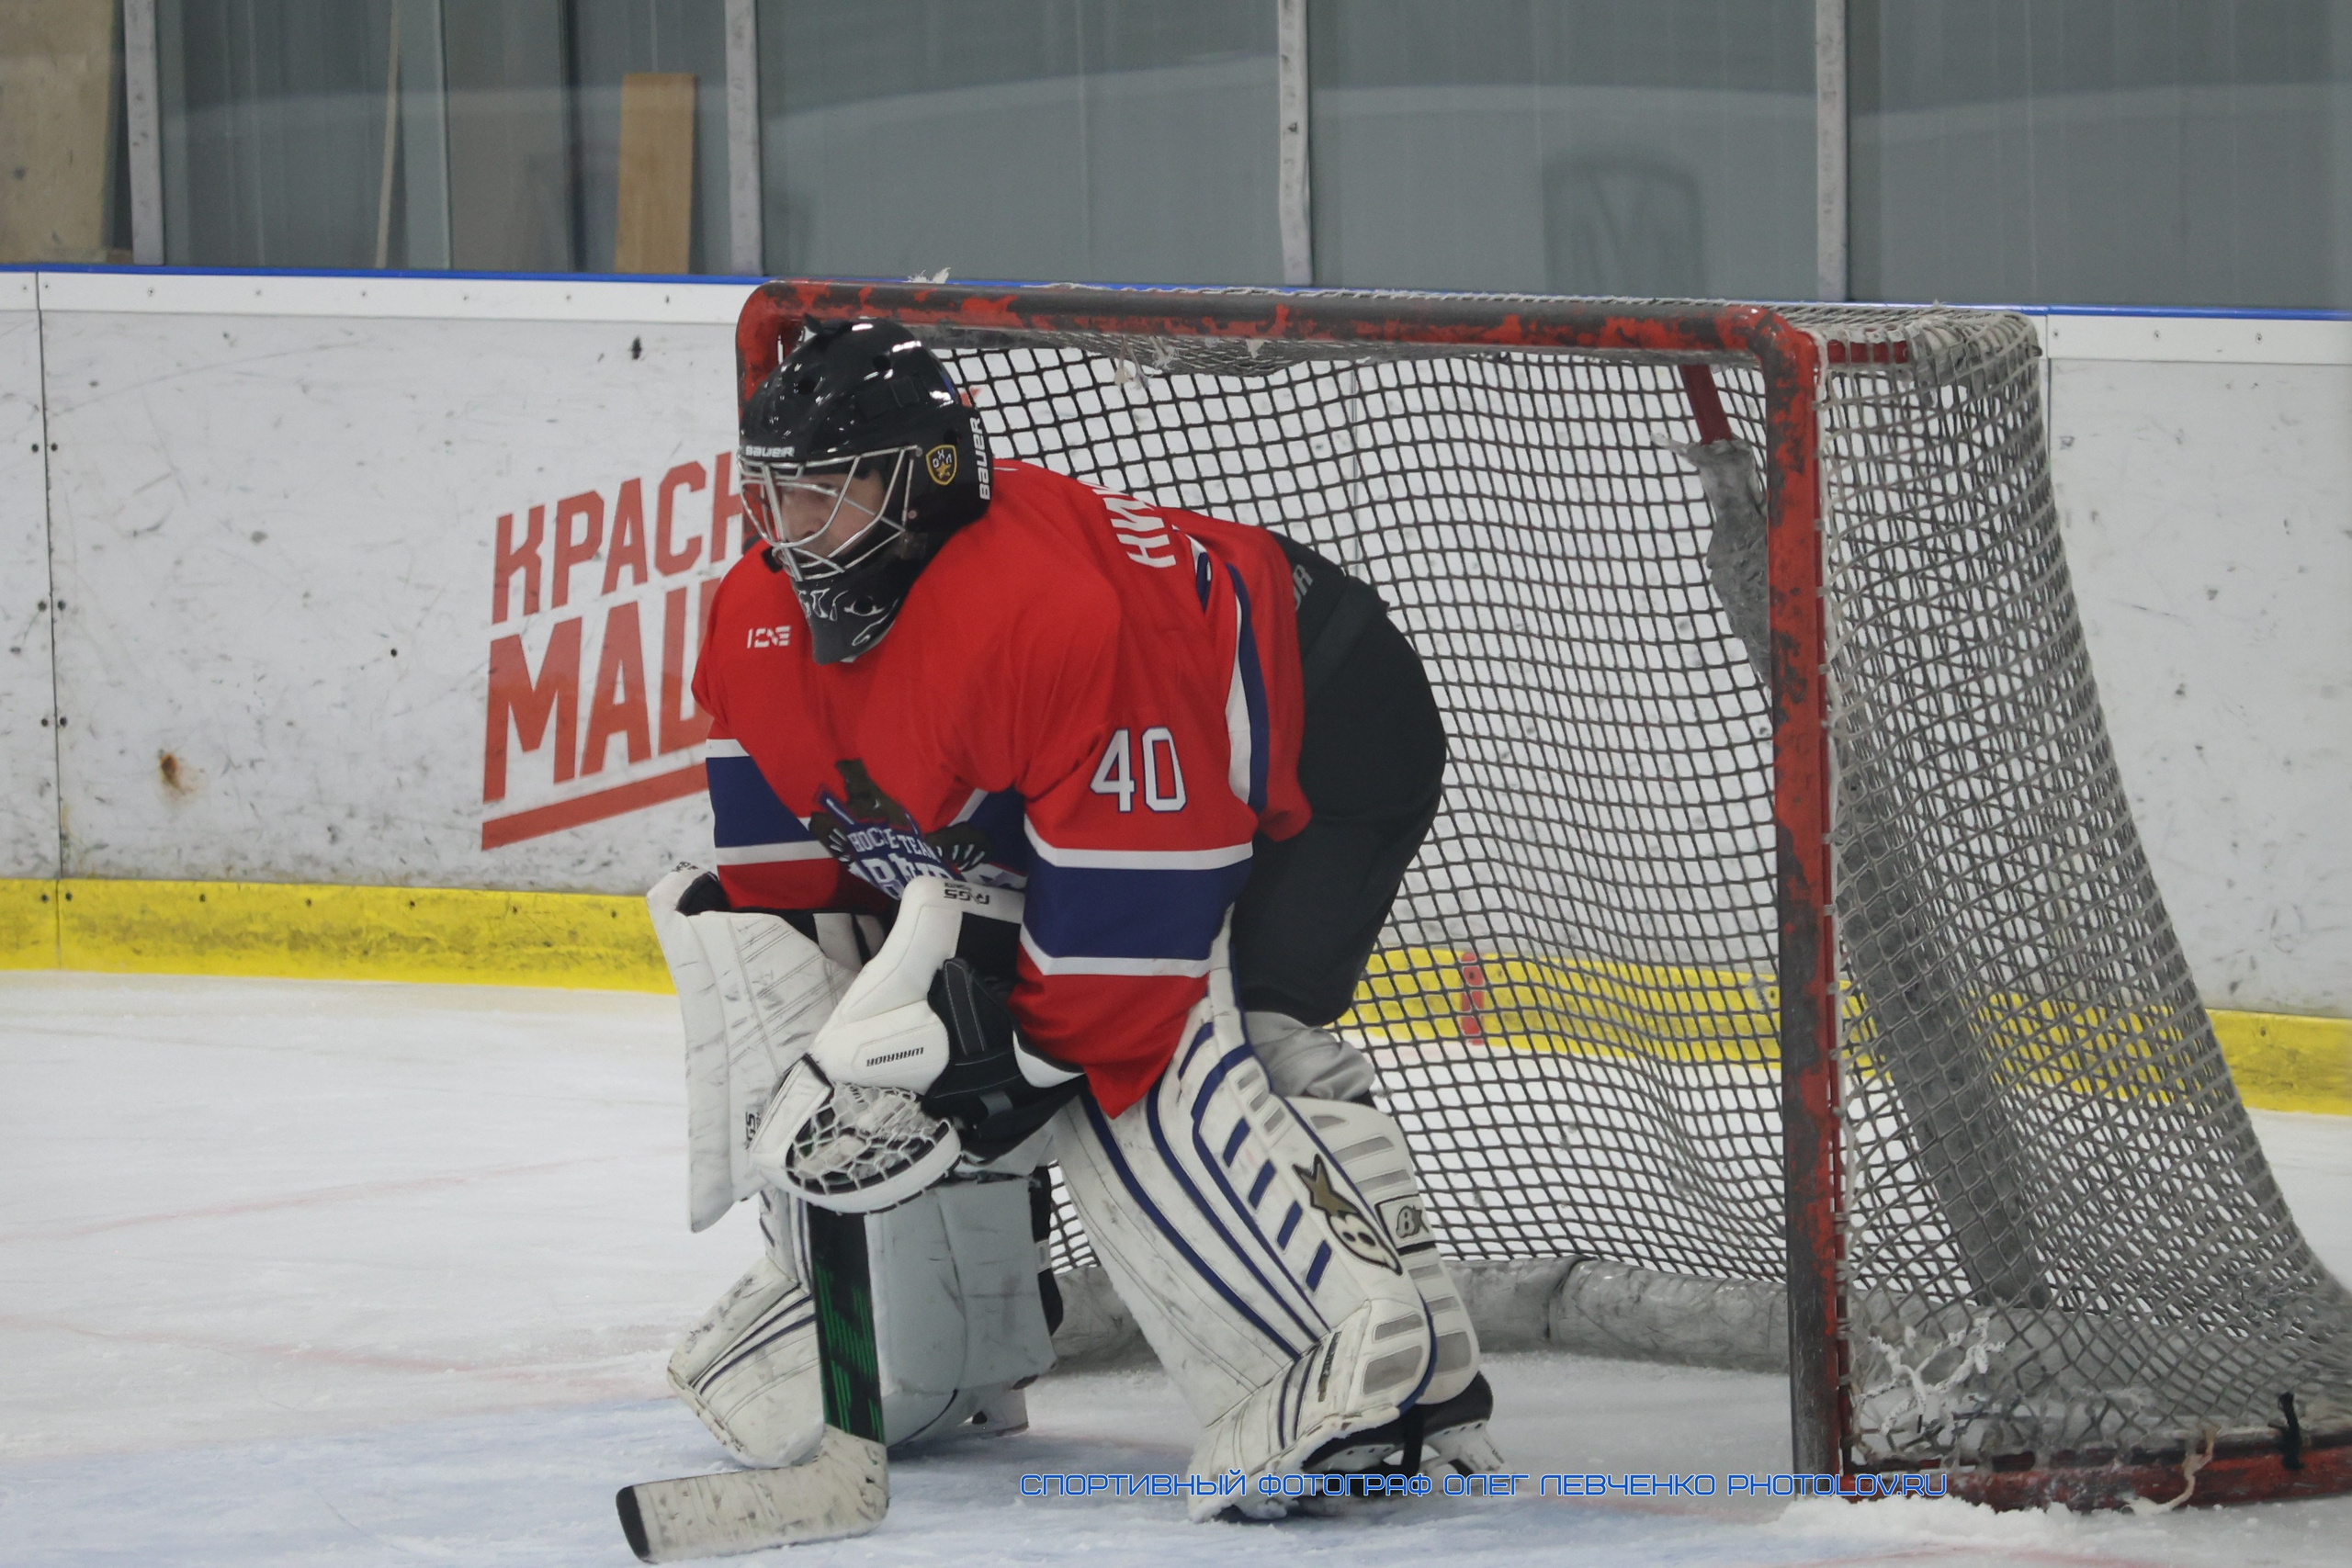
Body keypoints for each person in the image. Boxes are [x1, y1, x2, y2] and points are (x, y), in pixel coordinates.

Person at [643, 318, 1497, 1517]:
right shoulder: (754, 622)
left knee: (1197, 1046)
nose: (795, 534)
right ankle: (928, 1342)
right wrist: (843, 1072)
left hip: (1326, 725)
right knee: (855, 999)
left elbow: (1122, 970)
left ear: (933, 478)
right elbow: (798, 896)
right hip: (1104, 767)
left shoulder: (1049, 614)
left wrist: (992, 1062)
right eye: (776, 498)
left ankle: (1379, 1371)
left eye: (831, 495)